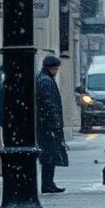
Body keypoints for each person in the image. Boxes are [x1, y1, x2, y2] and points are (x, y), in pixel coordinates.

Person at [35, 54, 67, 193]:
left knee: (49, 155)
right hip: (48, 126)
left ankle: (48, 183)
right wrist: (55, 124)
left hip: (47, 125)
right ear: (50, 68)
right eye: (56, 68)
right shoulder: (45, 81)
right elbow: (48, 105)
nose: (57, 71)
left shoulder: (44, 79)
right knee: (49, 155)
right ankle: (47, 183)